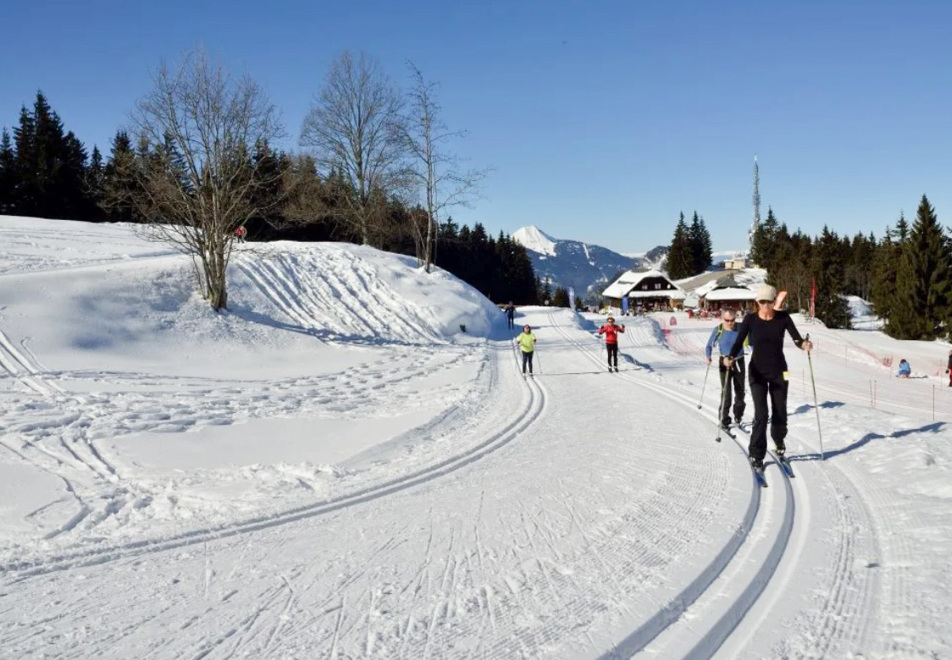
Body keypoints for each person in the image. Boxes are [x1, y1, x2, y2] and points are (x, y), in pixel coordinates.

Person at [725, 284, 812, 471]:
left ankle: (779, 440)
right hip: (756, 372)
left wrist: (804, 344)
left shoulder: (783, 318)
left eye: (769, 302)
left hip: (779, 371)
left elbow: (797, 339)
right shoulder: (750, 319)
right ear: (758, 302)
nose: (765, 305)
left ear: (774, 302)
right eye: (762, 301)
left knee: (780, 410)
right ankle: (756, 454)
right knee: (761, 415)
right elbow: (739, 341)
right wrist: (730, 356)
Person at [705, 310, 746, 429]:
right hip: (724, 362)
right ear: (723, 318)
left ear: (735, 318)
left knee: (740, 392)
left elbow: (752, 341)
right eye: (727, 320)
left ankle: (738, 415)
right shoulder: (718, 330)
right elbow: (709, 345)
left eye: (732, 320)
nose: (729, 323)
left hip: (738, 361)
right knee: (726, 392)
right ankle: (724, 419)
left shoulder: (741, 328)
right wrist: (708, 356)